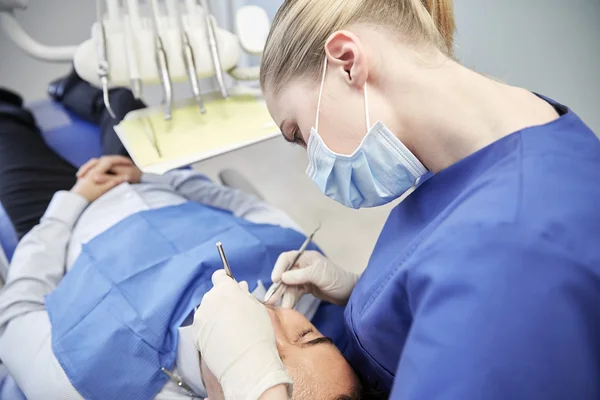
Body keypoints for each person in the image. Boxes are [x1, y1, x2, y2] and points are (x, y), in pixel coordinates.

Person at [192, 0, 600, 399]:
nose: (310, 164)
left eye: (299, 135)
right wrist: (367, 296)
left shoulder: (512, 249)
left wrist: (254, 382)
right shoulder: (492, 145)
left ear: (347, 62)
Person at [0, 85, 366, 400]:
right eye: (305, 335)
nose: (270, 323)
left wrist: (72, 203)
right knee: (123, 102)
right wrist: (156, 178)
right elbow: (246, 205)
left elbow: (16, 313)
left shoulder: (88, 384)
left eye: (268, 358)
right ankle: (75, 90)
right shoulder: (309, 286)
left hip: (61, 219)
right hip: (151, 184)